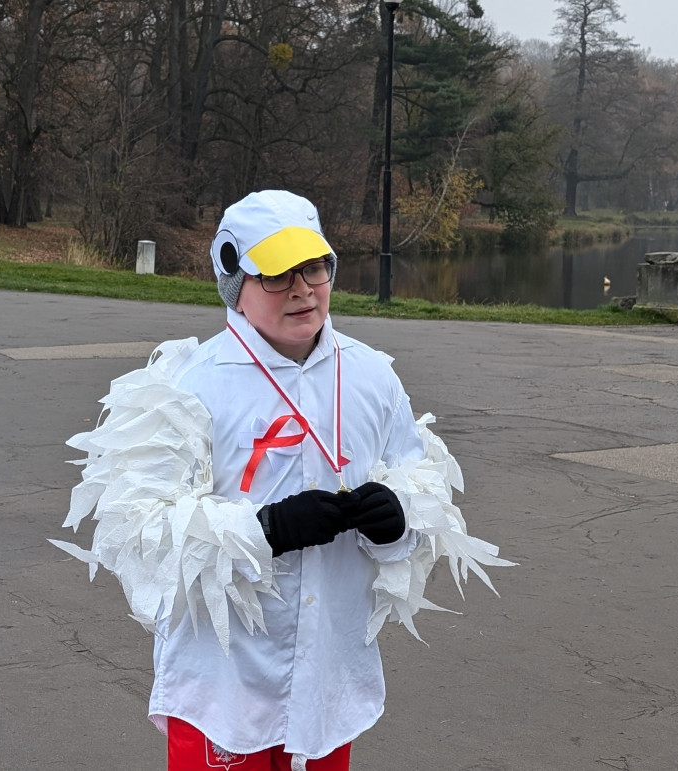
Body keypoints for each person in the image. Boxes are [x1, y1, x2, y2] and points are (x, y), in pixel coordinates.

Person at [51, 190, 512, 770]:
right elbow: (141, 534)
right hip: (225, 683)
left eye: (313, 267)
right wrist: (262, 529)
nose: (302, 288)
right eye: (276, 274)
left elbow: (422, 478)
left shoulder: (371, 375)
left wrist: (400, 516)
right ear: (233, 280)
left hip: (328, 678)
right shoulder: (185, 385)